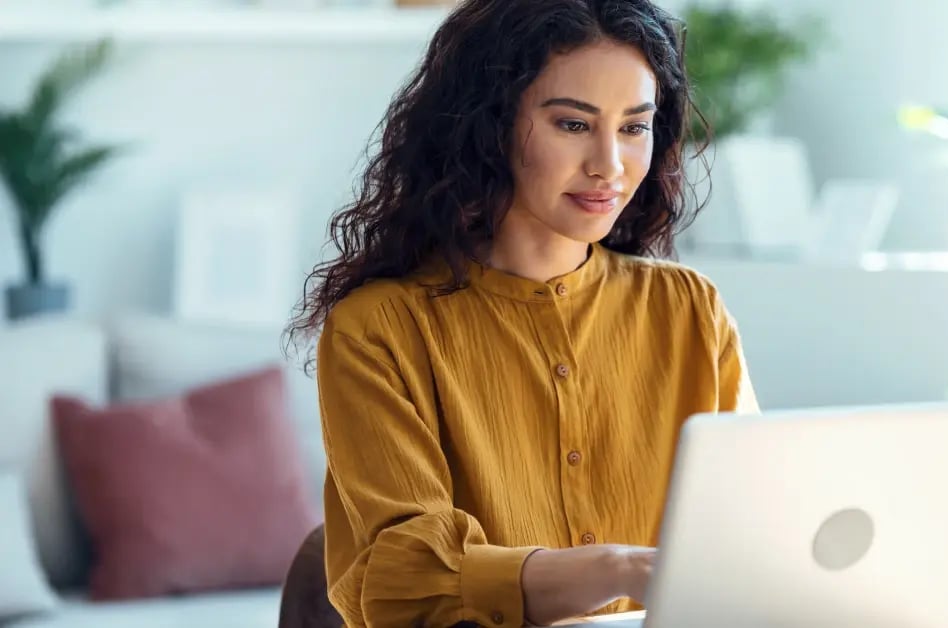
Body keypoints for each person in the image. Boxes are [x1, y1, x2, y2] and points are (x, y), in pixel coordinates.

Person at [285, 1, 758, 626]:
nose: (609, 166)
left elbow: (753, 529)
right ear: (490, 125)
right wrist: (617, 570)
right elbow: (403, 580)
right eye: (572, 124)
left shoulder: (688, 309)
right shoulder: (380, 329)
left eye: (634, 127)